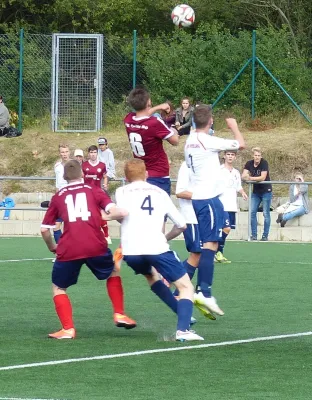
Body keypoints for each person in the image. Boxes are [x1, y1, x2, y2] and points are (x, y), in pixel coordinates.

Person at [41, 160, 136, 339]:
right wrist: (100, 215)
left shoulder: (58, 196)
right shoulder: (93, 190)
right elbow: (120, 212)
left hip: (69, 247)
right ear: (82, 174)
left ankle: (68, 329)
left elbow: (45, 229)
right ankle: (119, 313)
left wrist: (53, 246)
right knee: (113, 273)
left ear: (64, 177)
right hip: (95, 244)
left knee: (59, 288)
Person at [115, 159, 204, 342]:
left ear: (125, 177)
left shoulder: (120, 191)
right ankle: (183, 329)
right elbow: (181, 225)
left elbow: (119, 216)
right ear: (146, 174)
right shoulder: (160, 192)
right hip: (156, 247)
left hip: (131, 251)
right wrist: (165, 237)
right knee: (186, 287)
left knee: (151, 276)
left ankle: (182, 313)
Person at [184, 105, 245, 317]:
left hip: (207, 199)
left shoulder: (191, 139)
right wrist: (234, 126)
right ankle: (204, 291)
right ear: (210, 122)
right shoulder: (206, 140)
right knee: (209, 245)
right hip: (207, 198)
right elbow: (241, 144)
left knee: (212, 244)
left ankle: (197, 290)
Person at [174, 161, 215, 321]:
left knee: (199, 256)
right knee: (197, 254)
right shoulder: (187, 166)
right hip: (191, 217)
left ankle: (179, 294)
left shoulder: (207, 167)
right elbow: (180, 192)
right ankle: (178, 292)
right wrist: (202, 196)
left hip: (203, 217)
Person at [124, 87, 179, 196]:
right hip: (158, 174)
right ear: (148, 102)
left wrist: (158, 107)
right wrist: (174, 128)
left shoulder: (128, 119)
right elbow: (175, 141)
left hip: (140, 173)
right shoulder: (154, 122)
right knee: (161, 210)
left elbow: (143, 115)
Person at [216, 150, 248, 263]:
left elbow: (238, 186)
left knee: (227, 229)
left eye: (232, 155)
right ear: (224, 156)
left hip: (231, 205)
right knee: (225, 228)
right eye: (228, 154)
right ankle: (217, 252)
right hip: (221, 204)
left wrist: (243, 192)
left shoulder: (236, 172)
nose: (230, 156)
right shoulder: (218, 170)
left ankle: (217, 252)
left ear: (235, 157)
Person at [242, 147, 273, 241]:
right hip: (256, 192)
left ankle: (265, 235)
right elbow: (243, 176)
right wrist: (247, 177)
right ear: (253, 156)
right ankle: (254, 235)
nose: (257, 157)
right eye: (255, 155)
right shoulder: (249, 163)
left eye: (259, 155)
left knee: (266, 213)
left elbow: (262, 177)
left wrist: (250, 178)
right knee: (252, 212)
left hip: (266, 191)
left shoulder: (264, 163)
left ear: (261, 156)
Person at [82, 145, 110, 243]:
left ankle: (106, 235)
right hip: (86, 194)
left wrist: (105, 184)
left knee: (100, 213)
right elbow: (81, 177)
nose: (93, 154)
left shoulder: (102, 165)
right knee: (88, 214)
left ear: (97, 153)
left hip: (97, 193)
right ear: (88, 154)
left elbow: (105, 176)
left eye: (94, 152)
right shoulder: (84, 165)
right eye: (91, 152)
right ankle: (89, 235)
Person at [53, 144, 71, 246]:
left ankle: (73, 252)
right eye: (62, 152)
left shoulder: (74, 165)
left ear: (69, 152)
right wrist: (56, 198)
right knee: (56, 225)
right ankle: (61, 252)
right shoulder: (57, 166)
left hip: (71, 199)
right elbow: (57, 183)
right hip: (60, 199)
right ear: (59, 153)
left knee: (71, 227)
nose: (64, 154)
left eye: (66, 152)